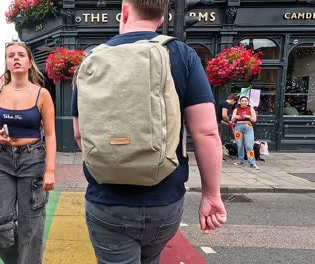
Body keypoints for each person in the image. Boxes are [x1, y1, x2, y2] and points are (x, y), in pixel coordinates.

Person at [72, 1, 227, 262]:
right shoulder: (181, 54)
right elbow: (207, 132)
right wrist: (211, 195)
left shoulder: (92, 59)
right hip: (164, 200)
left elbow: (79, 134)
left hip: (107, 201)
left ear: (125, 9)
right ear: (161, 16)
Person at [0, 41, 56, 264]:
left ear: (29, 61)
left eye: (21, 55)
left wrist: (50, 170)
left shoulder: (41, 94)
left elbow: (51, 134)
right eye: (10, 55)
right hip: (2, 159)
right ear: (6, 62)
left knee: (31, 224)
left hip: (32, 159)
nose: (16, 58)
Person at [231, 96, 259, 169]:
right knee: (239, 145)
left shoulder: (251, 109)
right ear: (240, 102)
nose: (244, 102)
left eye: (245, 101)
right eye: (242, 101)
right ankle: (240, 160)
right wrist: (236, 117)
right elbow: (232, 120)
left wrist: (248, 116)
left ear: (247, 102)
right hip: (238, 127)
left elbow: (254, 120)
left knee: (249, 146)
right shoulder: (236, 109)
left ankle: (252, 163)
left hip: (248, 126)